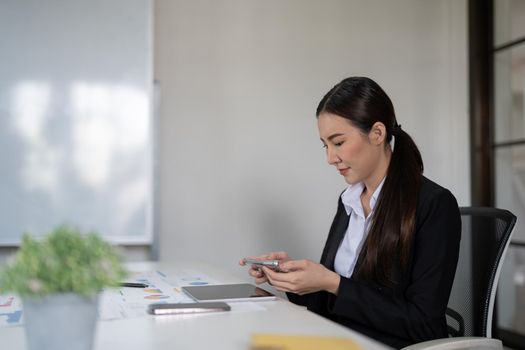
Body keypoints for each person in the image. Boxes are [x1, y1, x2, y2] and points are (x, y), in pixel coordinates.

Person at [240, 77, 461, 349]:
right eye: (325, 145)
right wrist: (293, 279)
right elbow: (335, 303)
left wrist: (332, 282)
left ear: (377, 134)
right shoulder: (349, 201)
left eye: (339, 142)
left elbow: (423, 324)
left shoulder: (434, 204)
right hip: (341, 340)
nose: (330, 158)